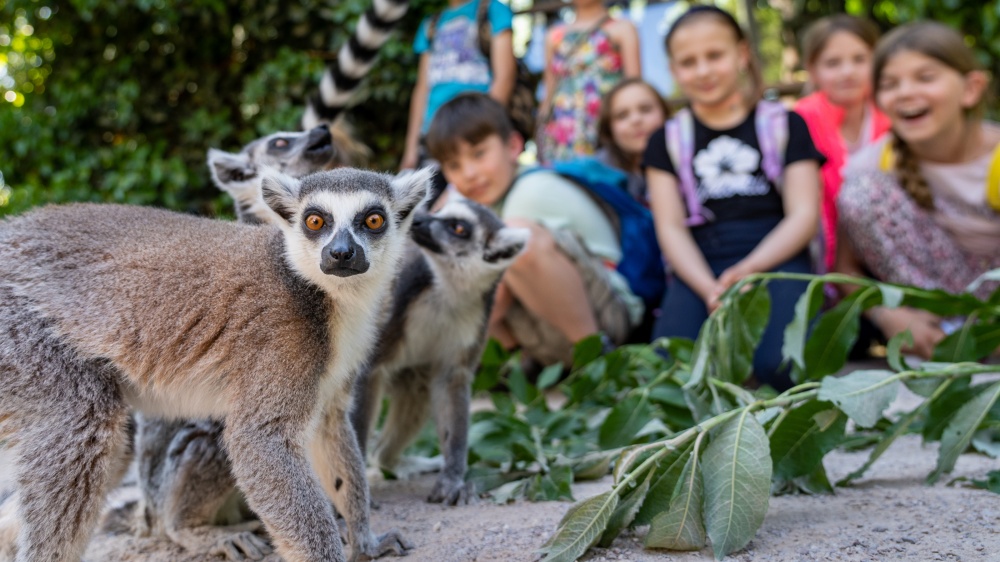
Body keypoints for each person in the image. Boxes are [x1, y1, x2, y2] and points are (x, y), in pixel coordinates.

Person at [643, 6, 824, 390]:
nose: (704, 70)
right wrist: (709, 287)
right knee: (671, 371)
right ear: (674, 71)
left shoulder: (785, 125)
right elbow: (671, 228)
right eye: (689, 62)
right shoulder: (666, 141)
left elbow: (804, 214)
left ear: (741, 54)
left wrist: (752, 267)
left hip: (777, 255)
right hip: (702, 260)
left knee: (784, 366)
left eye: (715, 55)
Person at [425, 92, 644, 366]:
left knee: (514, 244)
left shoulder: (531, 190)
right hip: (550, 328)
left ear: (514, 146)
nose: (469, 173)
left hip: (608, 314)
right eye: (454, 165)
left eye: (479, 154)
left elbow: (497, 296)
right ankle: (521, 365)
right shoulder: (491, 204)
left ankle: (598, 360)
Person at [836, 22, 1000, 359]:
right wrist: (889, 315)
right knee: (861, 193)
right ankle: (943, 334)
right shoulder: (872, 167)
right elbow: (844, 268)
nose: (906, 92)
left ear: (971, 88)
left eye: (925, 78)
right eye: (890, 84)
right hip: (931, 326)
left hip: (992, 307)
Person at [795, 15, 891, 273]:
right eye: (833, 63)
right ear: (812, 69)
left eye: (860, 59)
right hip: (823, 253)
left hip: (886, 246)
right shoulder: (799, 121)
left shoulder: (893, 114)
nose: (848, 72)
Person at [399, 0, 516, 172]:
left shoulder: (493, 10)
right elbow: (423, 88)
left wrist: (486, 127)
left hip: (475, 128)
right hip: (434, 133)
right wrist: (411, 149)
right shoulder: (431, 24)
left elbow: (505, 76)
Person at [536, 0, 640, 165]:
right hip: (563, 130)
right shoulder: (554, 35)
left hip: (604, 126)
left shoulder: (622, 28)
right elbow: (549, 93)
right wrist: (541, 134)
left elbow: (635, 90)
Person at [595, 77, 671, 205]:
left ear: (665, 113)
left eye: (645, 109)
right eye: (622, 115)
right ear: (609, 129)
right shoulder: (597, 178)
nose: (636, 120)